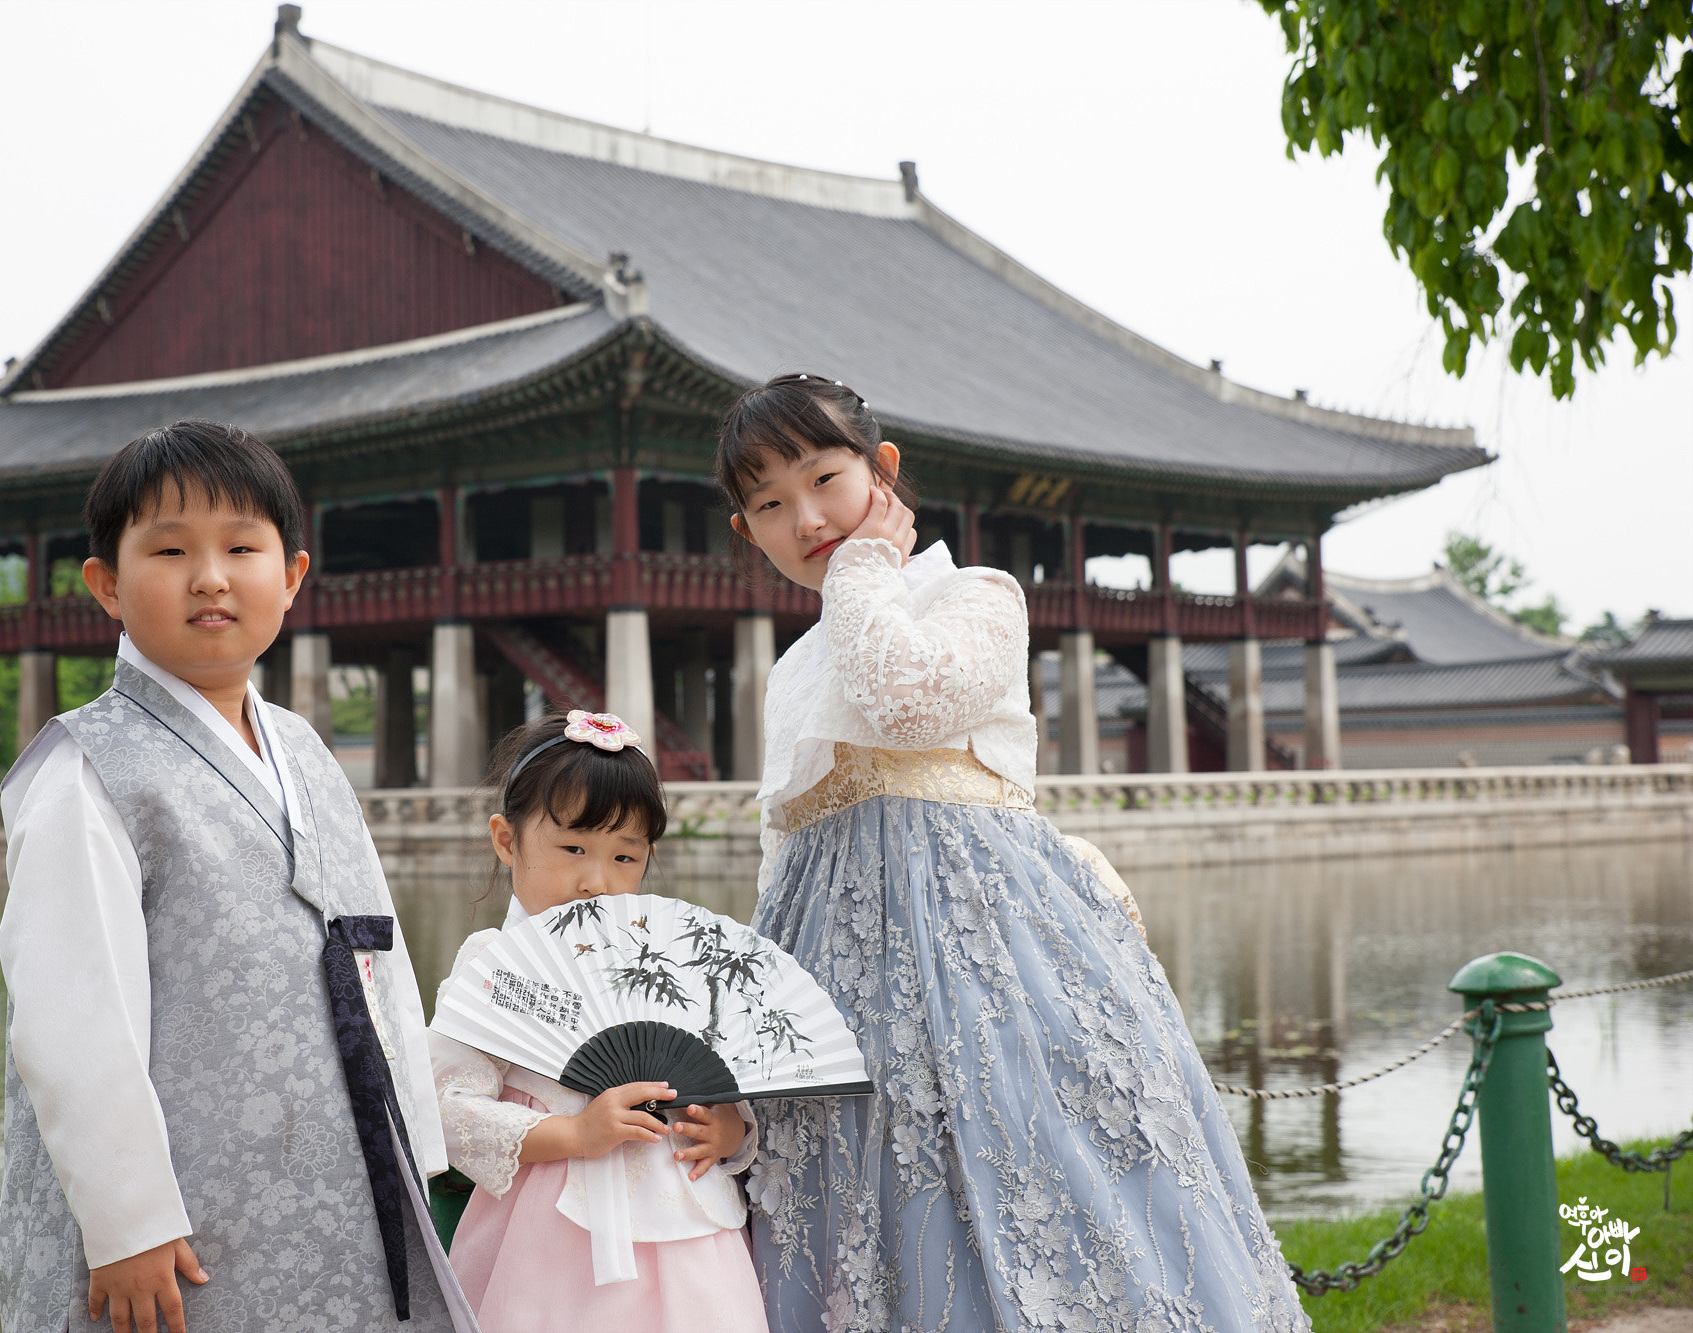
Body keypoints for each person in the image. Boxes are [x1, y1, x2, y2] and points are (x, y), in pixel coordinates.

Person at [718, 374, 1310, 1332]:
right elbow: (778, 845)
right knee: (865, 1204)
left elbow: (906, 699)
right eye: (771, 505)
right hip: (833, 971)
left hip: (986, 951)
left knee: (1043, 1168)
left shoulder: (976, 592)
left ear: (883, 469)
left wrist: (866, 570)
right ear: (748, 532)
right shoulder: (792, 670)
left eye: (826, 478)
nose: (809, 517)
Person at [0, 420, 476, 1333]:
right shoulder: (88, 767)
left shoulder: (301, 746)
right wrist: (126, 1219)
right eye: (170, 550)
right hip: (173, 1222)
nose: (210, 577)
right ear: (106, 584)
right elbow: (71, 1019)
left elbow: (378, 955)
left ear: (291, 577)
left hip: (336, 1180)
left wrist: (422, 1142)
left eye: (242, 548)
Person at [426, 711, 769, 1333]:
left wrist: (727, 1128)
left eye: (623, 856)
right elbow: (443, 1109)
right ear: (507, 840)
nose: (597, 881)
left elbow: (721, 1073)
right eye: (573, 848)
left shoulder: (676, 958)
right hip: (549, 1225)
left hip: (689, 1224)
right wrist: (571, 1134)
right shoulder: (493, 966)